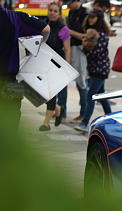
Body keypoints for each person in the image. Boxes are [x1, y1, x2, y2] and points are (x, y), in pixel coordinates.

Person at [0, 5, 50, 127]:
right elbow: (46, 29)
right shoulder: (15, 17)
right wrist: (32, 48)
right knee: (9, 130)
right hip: (8, 84)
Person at [74, 7, 111, 133]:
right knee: (102, 96)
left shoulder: (103, 35)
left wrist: (86, 46)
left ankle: (84, 123)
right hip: (94, 68)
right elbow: (88, 52)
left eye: (93, 17)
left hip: (100, 69)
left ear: (99, 19)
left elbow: (97, 53)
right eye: (89, 16)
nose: (90, 19)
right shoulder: (90, 32)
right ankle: (112, 120)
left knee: (91, 95)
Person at [39, 1, 71, 131]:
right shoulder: (42, 24)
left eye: (55, 11)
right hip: (43, 62)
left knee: (51, 93)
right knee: (43, 91)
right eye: (50, 10)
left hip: (56, 64)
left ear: (59, 13)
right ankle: (58, 109)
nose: (52, 13)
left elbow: (67, 49)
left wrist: (66, 68)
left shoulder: (63, 28)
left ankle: (46, 123)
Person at [66, 0, 88, 122]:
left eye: (70, 2)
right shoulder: (71, 12)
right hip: (71, 47)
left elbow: (84, 36)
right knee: (78, 81)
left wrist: (69, 31)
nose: (68, 5)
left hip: (80, 49)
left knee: (81, 81)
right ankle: (83, 109)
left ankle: (83, 112)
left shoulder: (85, 13)